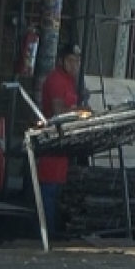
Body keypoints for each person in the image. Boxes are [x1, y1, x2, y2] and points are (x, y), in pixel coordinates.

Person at [38, 42, 84, 238]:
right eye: (71, 61)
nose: (75, 65)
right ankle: (44, 235)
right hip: (52, 144)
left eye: (77, 62)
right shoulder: (56, 80)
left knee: (56, 192)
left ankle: (51, 234)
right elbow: (58, 111)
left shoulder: (70, 81)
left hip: (64, 145)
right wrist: (79, 113)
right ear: (61, 61)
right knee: (48, 192)